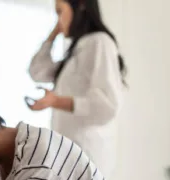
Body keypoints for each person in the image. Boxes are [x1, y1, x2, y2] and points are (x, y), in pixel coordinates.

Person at [28, 0, 127, 178]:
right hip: (69, 159)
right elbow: (37, 71)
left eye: (59, 12)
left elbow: (108, 106)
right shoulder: (77, 49)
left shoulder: (99, 42)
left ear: (80, 4)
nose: (58, 20)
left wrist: (57, 101)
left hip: (87, 158)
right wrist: (53, 35)